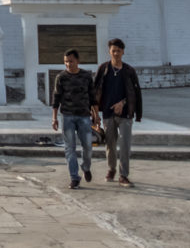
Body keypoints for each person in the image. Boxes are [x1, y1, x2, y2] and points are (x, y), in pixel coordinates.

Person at [91, 38, 142, 186]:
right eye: (113, 51)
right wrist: (94, 113)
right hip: (107, 113)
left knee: (125, 144)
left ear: (123, 52)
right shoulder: (103, 69)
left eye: (119, 51)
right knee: (110, 144)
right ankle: (111, 169)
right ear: (109, 51)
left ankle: (123, 175)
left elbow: (135, 93)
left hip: (125, 114)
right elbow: (95, 91)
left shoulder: (129, 71)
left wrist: (124, 103)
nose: (116, 53)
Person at [51, 48, 98, 189]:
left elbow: (92, 97)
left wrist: (96, 115)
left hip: (84, 115)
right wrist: (54, 118)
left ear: (77, 60)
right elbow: (56, 98)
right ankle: (74, 177)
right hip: (67, 116)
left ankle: (86, 167)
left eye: (71, 61)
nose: (68, 64)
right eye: (66, 62)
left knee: (88, 146)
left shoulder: (86, 76)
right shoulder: (61, 77)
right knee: (70, 148)